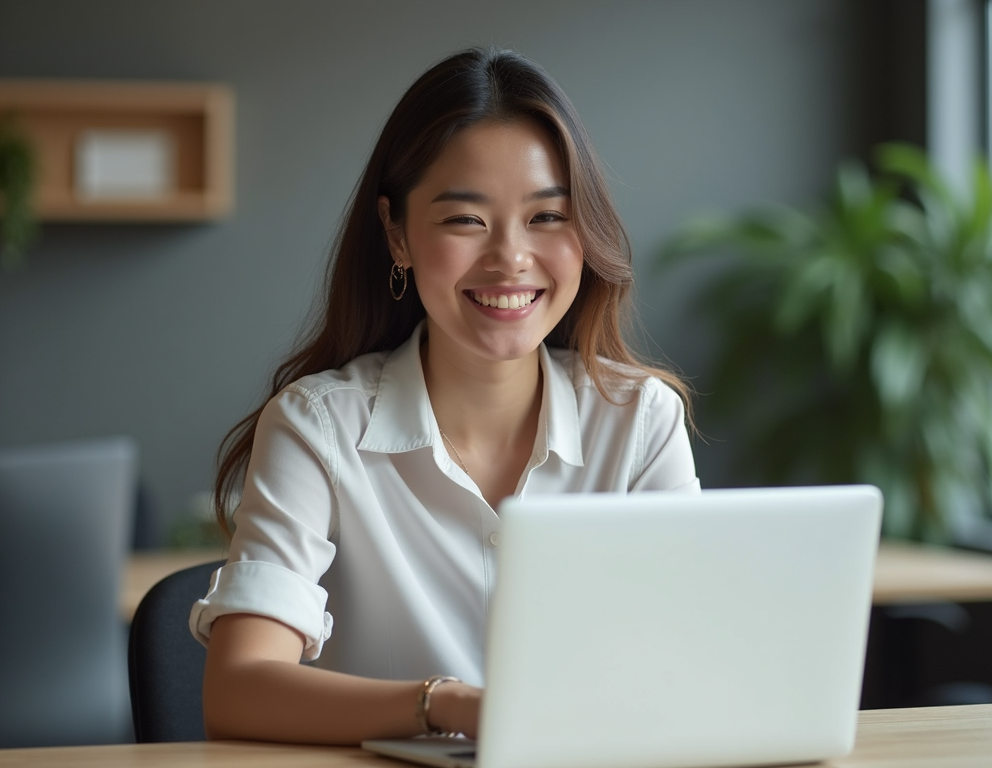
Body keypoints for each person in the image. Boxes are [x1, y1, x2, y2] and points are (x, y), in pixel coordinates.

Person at [189, 47, 700, 745]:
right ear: (397, 233)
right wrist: (447, 705)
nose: (510, 259)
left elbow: (695, 663)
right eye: (466, 220)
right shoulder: (318, 426)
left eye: (548, 217)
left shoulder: (639, 421)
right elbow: (239, 689)